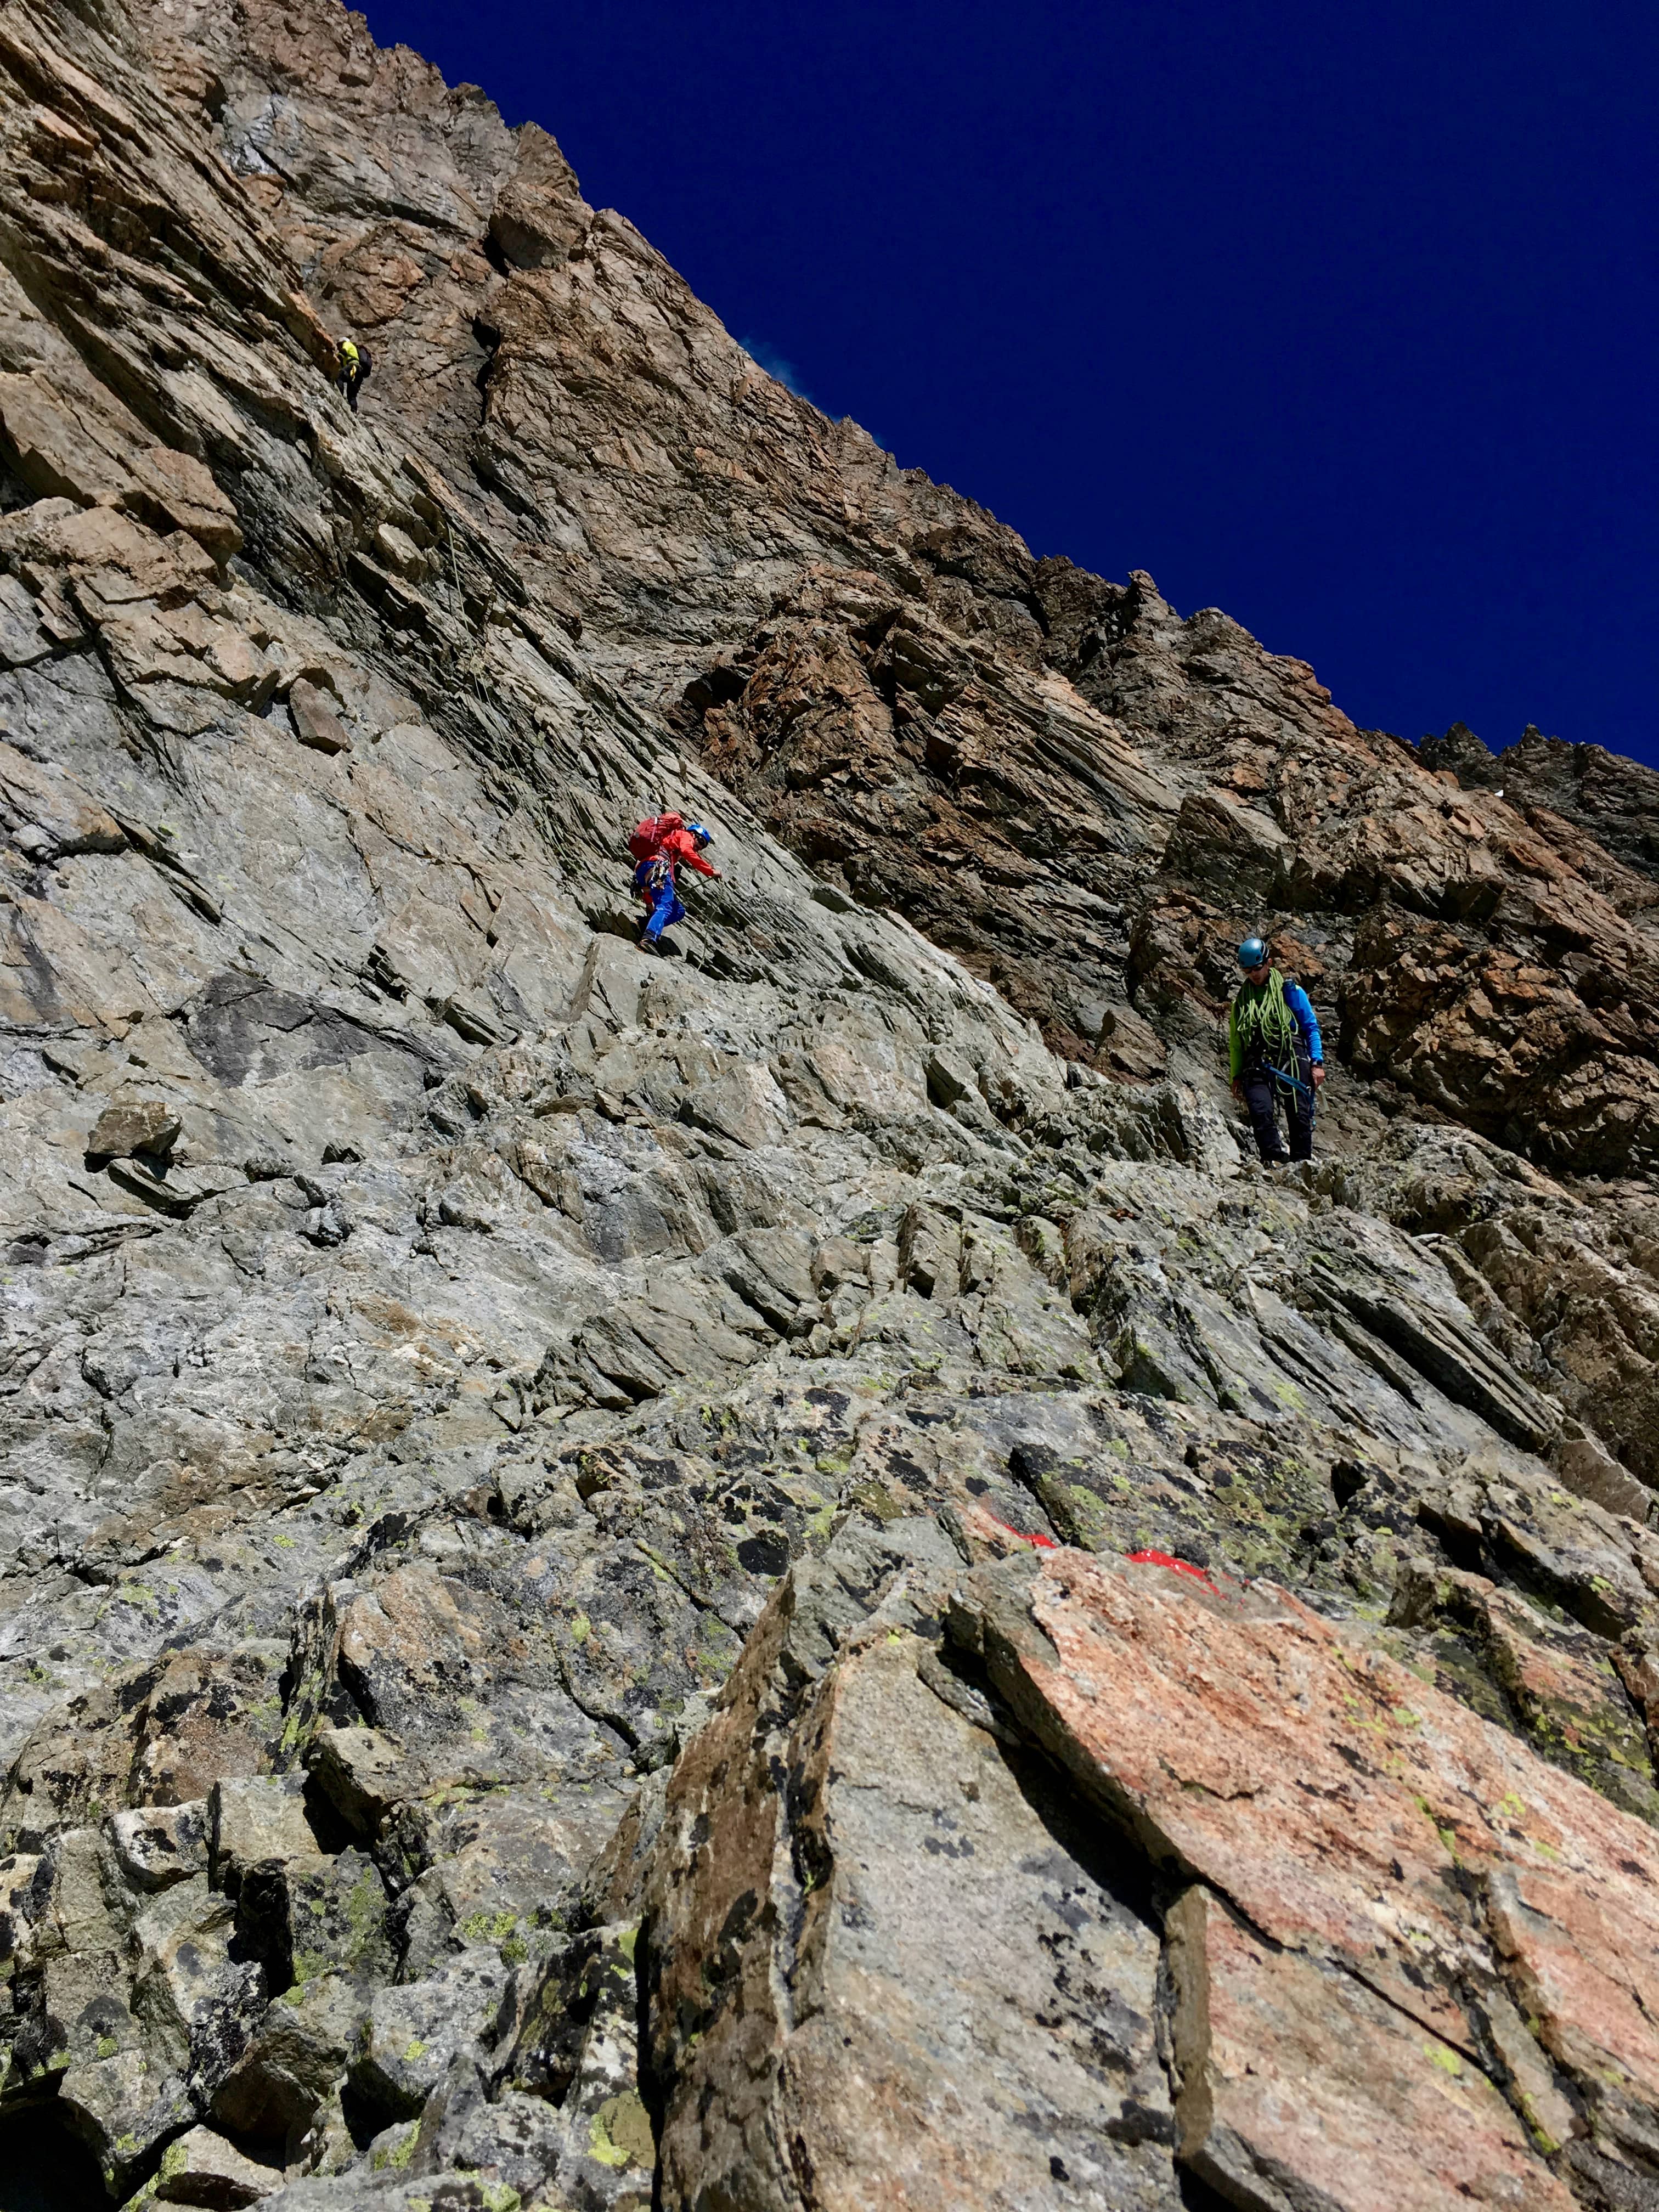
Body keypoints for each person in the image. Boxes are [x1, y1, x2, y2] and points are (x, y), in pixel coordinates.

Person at [1227, 935, 1324, 1164]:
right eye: (1248, 971)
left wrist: (1317, 1062)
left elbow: (1310, 1027)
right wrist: (1236, 1075)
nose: (1254, 974)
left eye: (1258, 968)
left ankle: (1301, 1164)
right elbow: (1236, 1043)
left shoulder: (1290, 992)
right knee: (1260, 1111)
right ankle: (1273, 1160)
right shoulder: (1241, 1003)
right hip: (1256, 1059)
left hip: (1290, 1051)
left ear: (1269, 963)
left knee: (1299, 1112)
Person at [629, 811, 721, 952]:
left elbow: (649, 888)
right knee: (665, 907)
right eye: (701, 841)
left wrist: (649, 904)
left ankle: (643, 925)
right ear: (694, 834)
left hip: (644, 869)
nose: (700, 847)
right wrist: (710, 871)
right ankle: (649, 939)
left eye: (703, 846)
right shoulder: (685, 836)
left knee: (678, 910)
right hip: (660, 867)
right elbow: (687, 850)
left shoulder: (670, 848)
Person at [337, 337, 372, 413]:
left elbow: (344, 352)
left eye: (339, 345)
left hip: (353, 367)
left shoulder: (347, 344)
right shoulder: (354, 349)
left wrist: (336, 359)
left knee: (339, 376)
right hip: (359, 372)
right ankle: (354, 411)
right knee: (352, 395)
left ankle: (339, 394)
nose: (339, 348)